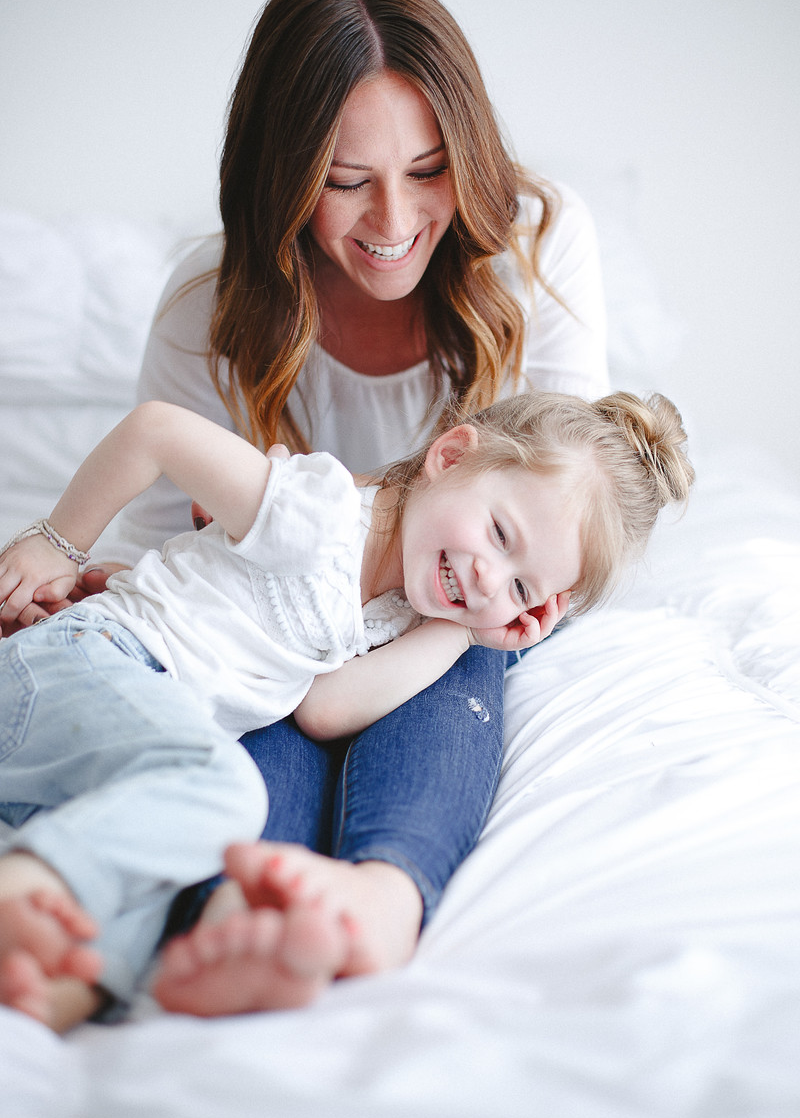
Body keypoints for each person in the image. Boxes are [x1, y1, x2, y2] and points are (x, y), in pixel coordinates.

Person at [4, 0, 610, 1005]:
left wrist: (485, 605)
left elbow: (571, 510)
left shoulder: (535, 251)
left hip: (395, 629)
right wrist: (80, 569)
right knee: (245, 710)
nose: (393, 218)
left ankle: (382, 893)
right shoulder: (213, 303)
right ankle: (229, 920)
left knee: (467, 627)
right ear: (283, 175)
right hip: (266, 631)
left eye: (429, 170)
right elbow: (161, 527)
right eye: (345, 180)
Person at [0, 389, 693, 1030]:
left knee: (149, 885)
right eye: (500, 534)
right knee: (223, 791)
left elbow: (325, 711)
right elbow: (157, 430)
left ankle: (52, 995)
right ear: (451, 456)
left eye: (521, 588)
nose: (489, 578)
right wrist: (58, 543)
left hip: (110, 748)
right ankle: (20, 889)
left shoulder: (400, 614)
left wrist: (465, 633)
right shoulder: (317, 512)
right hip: (91, 661)